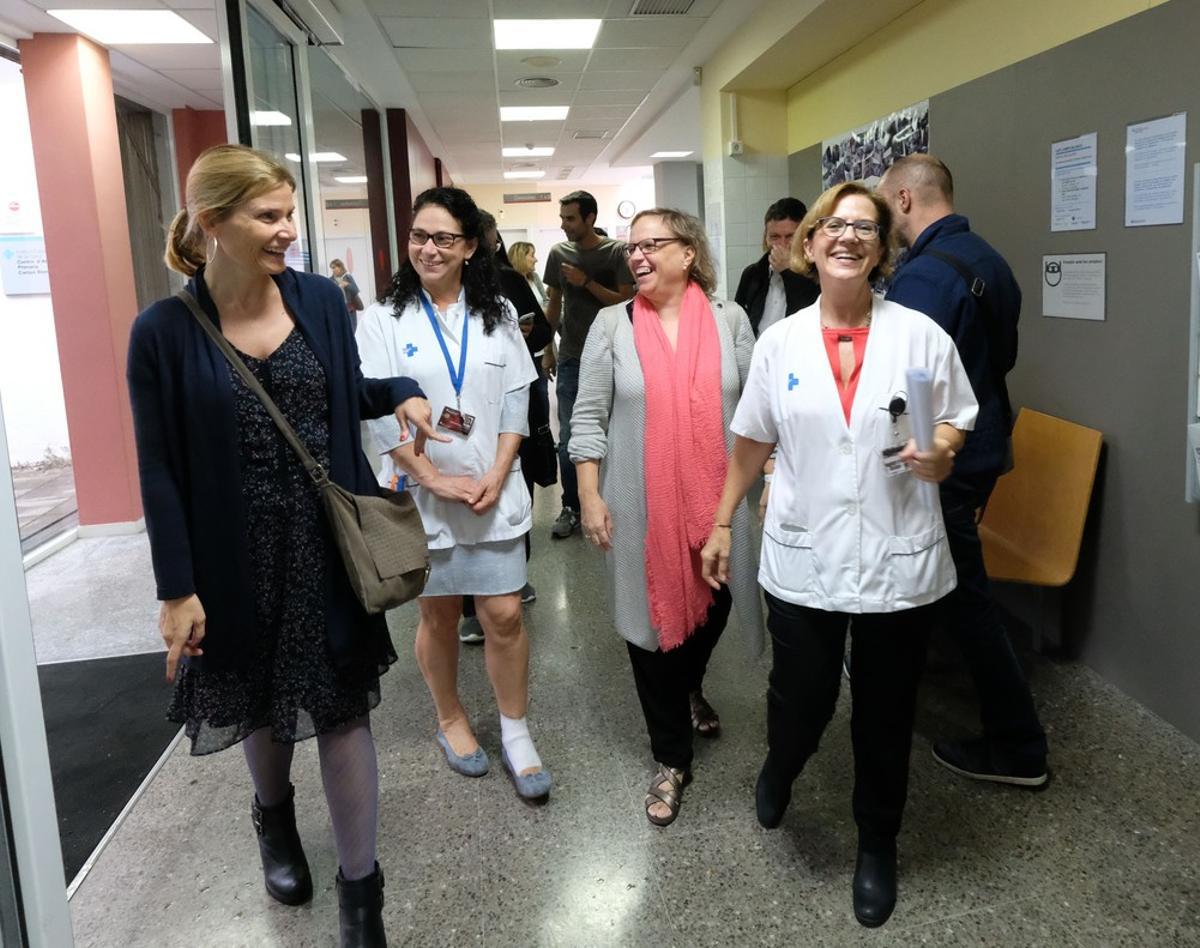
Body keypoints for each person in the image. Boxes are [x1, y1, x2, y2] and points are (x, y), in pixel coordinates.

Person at [127, 144, 439, 948]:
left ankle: (362, 895)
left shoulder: (319, 301)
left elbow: (342, 392)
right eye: (268, 216)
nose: (288, 231)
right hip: (230, 558)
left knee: (342, 712)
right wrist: (176, 589)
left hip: (325, 547)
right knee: (260, 707)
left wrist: (401, 392)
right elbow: (158, 469)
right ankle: (275, 820)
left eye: (290, 213)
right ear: (212, 222)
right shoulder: (162, 332)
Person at [700, 182, 978, 928]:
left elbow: (955, 417)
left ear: (882, 248)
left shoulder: (920, 335)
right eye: (834, 224)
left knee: (886, 713)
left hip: (898, 551)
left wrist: (942, 451)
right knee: (803, 696)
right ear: (811, 242)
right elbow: (751, 440)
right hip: (805, 549)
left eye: (865, 227)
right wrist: (722, 521)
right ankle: (782, 763)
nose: (848, 236)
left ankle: (877, 843)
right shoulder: (780, 342)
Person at [355, 187, 552, 801]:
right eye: (420, 236)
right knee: (438, 614)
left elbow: (518, 398)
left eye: (444, 238)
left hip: (492, 490)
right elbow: (376, 412)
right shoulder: (382, 319)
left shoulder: (497, 314)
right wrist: (434, 478)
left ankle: (516, 730)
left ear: (470, 247)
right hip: (424, 497)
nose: (429, 249)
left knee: (504, 614)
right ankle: (450, 719)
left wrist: (499, 469)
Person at [569, 208, 764, 827]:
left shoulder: (731, 321)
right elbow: (588, 416)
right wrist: (590, 495)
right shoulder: (612, 325)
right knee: (649, 629)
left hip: (722, 505)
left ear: (688, 253)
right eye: (632, 246)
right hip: (638, 505)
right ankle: (671, 757)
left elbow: (758, 411)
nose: (637, 255)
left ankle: (690, 682)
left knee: (716, 605)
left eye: (652, 244)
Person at [876, 154, 1048, 787]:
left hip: (945, 458)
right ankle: (912, 667)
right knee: (951, 582)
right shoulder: (989, 261)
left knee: (966, 597)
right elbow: (999, 359)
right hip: (984, 444)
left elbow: (905, 387)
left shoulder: (923, 278)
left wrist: (897, 457)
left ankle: (1019, 746)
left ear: (903, 199)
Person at [455, 214, 554, 644]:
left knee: (511, 483)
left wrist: (524, 335)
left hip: (508, 403)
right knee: (470, 495)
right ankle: (474, 602)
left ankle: (509, 578)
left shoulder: (509, 284)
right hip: (461, 415)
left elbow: (542, 330)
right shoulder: (430, 297)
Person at [542, 190, 635, 539]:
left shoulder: (615, 253)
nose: (564, 225)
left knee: (617, 433)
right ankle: (572, 505)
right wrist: (548, 349)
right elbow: (554, 305)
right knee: (569, 437)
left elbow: (627, 300)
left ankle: (616, 500)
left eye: (570, 218)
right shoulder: (559, 254)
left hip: (617, 357)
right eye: (562, 217)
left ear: (590, 218)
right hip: (572, 356)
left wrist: (587, 283)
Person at [733, 197, 820, 337]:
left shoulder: (818, 274)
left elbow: (808, 317)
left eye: (790, 236)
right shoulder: (752, 274)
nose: (781, 244)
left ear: (804, 238)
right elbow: (739, 322)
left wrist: (789, 272)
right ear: (765, 238)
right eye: (774, 237)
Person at [508, 241, 548, 307]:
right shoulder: (508, 283)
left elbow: (545, 301)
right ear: (521, 258)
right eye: (532, 255)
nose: (536, 260)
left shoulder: (534, 277)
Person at [330, 258, 363, 329]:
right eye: (332, 268)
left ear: (340, 267)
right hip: (339, 308)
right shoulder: (331, 280)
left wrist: (347, 285)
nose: (333, 270)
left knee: (352, 328)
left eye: (334, 267)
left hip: (350, 308)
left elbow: (355, 290)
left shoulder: (348, 277)